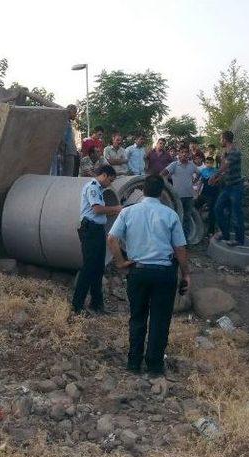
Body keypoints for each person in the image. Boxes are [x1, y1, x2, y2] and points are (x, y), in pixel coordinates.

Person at [107, 174, 190, 376]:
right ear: (162, 192)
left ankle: (133, 363)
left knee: (137, 317)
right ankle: (154, 365)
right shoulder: (170, 215)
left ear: (143, 190)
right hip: (164, 273)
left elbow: (111, 238)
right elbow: (180, 248)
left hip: (138, 271)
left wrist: (120, 262)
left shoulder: (128, 212)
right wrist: (186, 274)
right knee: (160, 320)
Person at [72, 165, 122, 314]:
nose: (110, 184)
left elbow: (101, 212)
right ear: (104, 175)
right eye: (110, 180)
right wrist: (117, 209)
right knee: (88, 268)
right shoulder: (93, 187)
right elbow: (97, 209)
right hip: (90, 230)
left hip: (98, 230)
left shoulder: (99, 189)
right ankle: (76, 306)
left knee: (99, 268)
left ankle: (96, 304)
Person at [211, 130, 245, 246]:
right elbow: (226, 172)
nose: (220, 141)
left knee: (236, 213)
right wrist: (218, 179)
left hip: (236, 187)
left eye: (221, 139)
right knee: (218, 209)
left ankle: (239, 240)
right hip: (228, 187)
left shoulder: (234, 152)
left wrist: (214, 175)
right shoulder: (226, 153)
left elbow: (225, 166)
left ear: (225, 139)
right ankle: (225, 234)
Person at [161, 143, 200, 237]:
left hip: (189, 196)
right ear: (179, 153)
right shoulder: (174, 165)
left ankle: (185, 240)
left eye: (186, 152)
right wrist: (165, 185)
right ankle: (174, 239)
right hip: (176, 197)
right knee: (176, 217)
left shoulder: (192, 165)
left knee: (187, 218)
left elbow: (199, 173)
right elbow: (162, 173)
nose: (184, 154)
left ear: (189, 154)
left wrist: (194, 181)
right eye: (182, 152)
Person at [194, 155, 220, 236]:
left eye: (211, 163)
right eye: (207, 163)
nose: (209, 164)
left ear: (213, 163)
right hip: (204, 194)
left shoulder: (216, 171)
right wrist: (197, 193)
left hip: (213, 195)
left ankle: (211, 231)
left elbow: (219, 182)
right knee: (195, 207)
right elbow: (200, 182)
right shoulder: (203, 171)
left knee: (212, 212)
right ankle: (196, 224)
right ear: (205, 163)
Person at [62, 104, 78, 177]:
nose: (75, 115)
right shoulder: (64, 123)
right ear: (69, 112)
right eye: (74, 112)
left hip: (71, 151)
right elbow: (64, 138)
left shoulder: (69, 123)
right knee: (68, 174)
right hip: (67, 151)